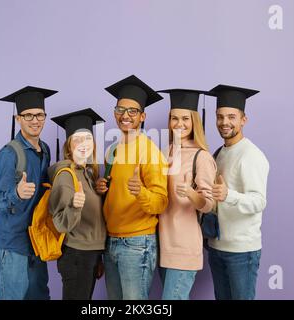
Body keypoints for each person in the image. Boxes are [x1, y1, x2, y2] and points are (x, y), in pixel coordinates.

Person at [95, 75, 168, 300]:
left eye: (132, 111)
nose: (125, 115)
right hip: (111, 241)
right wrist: (101, 188)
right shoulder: (113, 151)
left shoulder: (150, 151)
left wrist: (141, 192)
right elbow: (112, 194)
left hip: (137, 244)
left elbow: (161, 201)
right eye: (120, 109)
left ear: (142, 116)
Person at [0, 86, 57, 300]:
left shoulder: (45, 150)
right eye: (28, 115)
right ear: (18, 118)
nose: (35, 120)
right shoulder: (10, 153)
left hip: (36, 244)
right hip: (11, 246)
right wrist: (17, 193)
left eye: (39, 115)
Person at [207, 84, 270, 300]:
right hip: (216, 247)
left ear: (243, 120)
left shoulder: (251, 155)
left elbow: (259, 201)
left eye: (231, 117)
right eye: (220, 116)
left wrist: (228, 195)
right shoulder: (220, 153)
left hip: (242, 252)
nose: (225, 122)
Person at [157, 89, 217, 300]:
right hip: (161, 244)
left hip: (183, 246)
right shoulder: (165, 152)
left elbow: (209, 204)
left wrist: (191, 193)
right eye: (174, 118)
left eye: (185, 119)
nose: (179, 124)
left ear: (194, 122)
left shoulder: (201, 156)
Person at [48, 108, 106, 300]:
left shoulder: (88, 173)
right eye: (77, 139)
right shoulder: (66, 175)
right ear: (68, 146)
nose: (84, 144)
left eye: (88, 138)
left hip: (91, 254)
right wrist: (74, 206)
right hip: (76, 255)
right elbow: (60, 222)